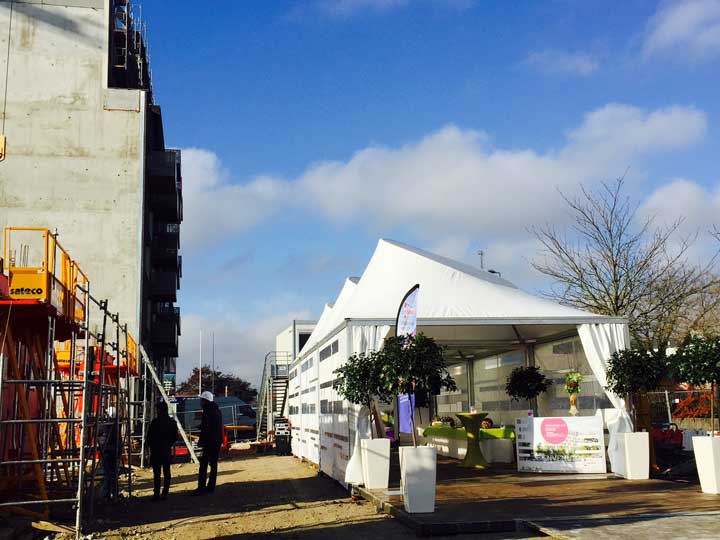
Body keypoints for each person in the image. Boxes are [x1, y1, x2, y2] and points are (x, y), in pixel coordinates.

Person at [191, 391, 223, 496]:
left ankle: (201, 487)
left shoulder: (207, 411)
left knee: (204, 464)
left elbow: (207, 428)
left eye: (201, 400)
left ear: (205, 400)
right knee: (213, 465)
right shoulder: (217, 410)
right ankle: (211, 486)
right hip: (217, 440)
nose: (200, 402)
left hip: (210, 441)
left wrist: (201, 441)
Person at [147, 401, 178, 501]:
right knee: (167, 472)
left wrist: (151, 446)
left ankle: (156, 493)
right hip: (166, 449)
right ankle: (165, 493)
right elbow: (175, 437)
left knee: (157, 473)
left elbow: (149, 437)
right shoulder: (172, 422)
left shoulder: (155, 423)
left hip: (156, 450)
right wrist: (169, 444)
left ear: (159, 410)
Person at [98, 406, 119, 499]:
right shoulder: (116, 426)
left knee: (107, 474)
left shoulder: (105, 425)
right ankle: (114, 493)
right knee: (113, 474)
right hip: (114, 451)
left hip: (106, 452)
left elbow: (98, 432)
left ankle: (106, 494)